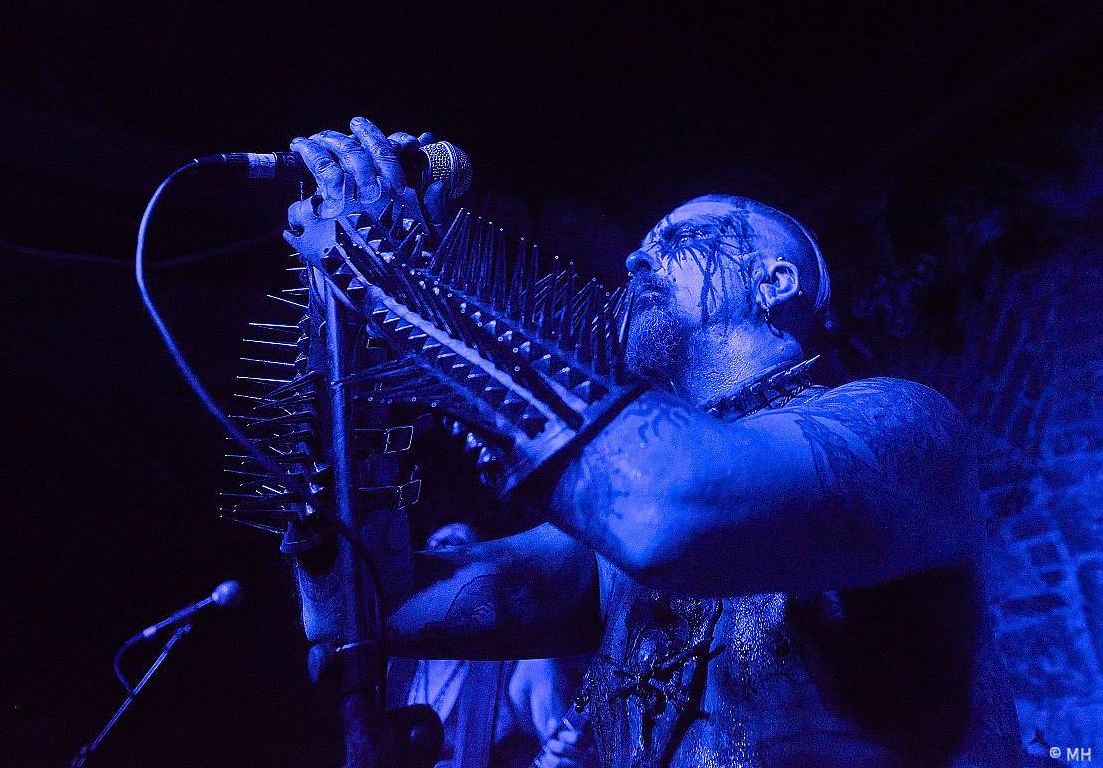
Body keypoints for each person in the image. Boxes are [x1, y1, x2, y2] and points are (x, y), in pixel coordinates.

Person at [288, 118, 1023, 767]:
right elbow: (364, 617)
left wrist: (405, 284)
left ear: (776, 280)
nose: (636, 260)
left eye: (677, 239)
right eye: (640, 245)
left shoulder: (904, 423)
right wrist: (342, 339)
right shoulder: (604, 550)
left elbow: (670, 511)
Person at [388, 523, 592, 768]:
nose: (443, 551)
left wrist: (568, 760)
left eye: (459, 551)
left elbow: (565, 751)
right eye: (434, 555)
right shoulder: (395, 668)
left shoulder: (528, 668)